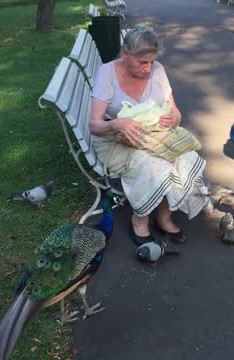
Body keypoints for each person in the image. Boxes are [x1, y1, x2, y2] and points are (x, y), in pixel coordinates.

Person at [89, 24, 207, 246]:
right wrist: (116, 123)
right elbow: (94, 124)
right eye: (142, 62)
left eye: (151, 62)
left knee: (186, 157)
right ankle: (140, 220)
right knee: (153, 165)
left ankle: (164, 217)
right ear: (125, 53)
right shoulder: (108, 72)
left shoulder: (157, 70)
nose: (147, 68)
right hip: (116, 141)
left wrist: (175, 118)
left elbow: (176, 111)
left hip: (154, 137)